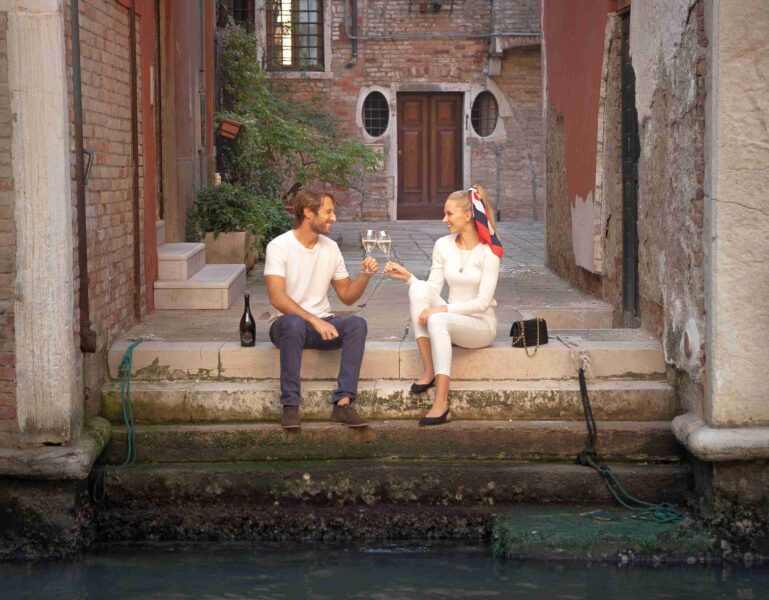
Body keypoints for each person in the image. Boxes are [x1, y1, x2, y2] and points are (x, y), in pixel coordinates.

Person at [384, 185, 503, 426]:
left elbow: (482, 303)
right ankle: (429, 370)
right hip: (451, 318)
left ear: (467, 215)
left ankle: (441, 404)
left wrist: (444, 310)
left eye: (449, 214)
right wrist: (409, 278)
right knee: (418, 288)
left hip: (480, 325)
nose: (444, 219)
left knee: (438, 318)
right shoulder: (443, 245)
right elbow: (432, 288)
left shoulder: (489, 253)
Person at [264, 190, 378, 430]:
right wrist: (314, 320)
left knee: (358, 324)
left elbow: (347, 296)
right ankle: (290, 406)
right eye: (328, 212)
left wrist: (365, 276)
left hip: (321, 325)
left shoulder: (331, 247)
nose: (333, 218)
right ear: (308, 212)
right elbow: (277, 297)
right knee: (294, 323)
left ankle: (343, 404)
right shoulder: (279, 246)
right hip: (286, 326)